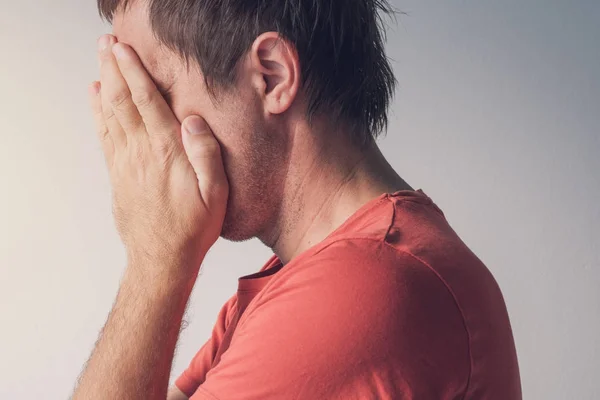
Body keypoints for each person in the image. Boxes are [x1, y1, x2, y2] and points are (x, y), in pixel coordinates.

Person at [72, 0, 522, 399]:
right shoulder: (312, 276)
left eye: (156, 94)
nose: (144, 135)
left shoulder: (364, 288)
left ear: (272, 75)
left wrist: (155, 262)